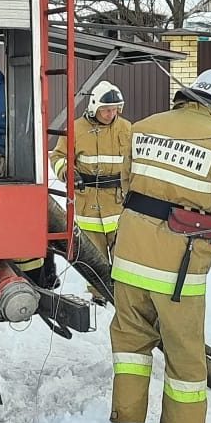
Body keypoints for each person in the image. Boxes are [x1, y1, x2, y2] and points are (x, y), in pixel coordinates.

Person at [107, 69, 211, 423]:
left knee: (130, 345)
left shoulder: (142, 127)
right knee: (185, 359)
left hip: (128, 258)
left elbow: (127, 186)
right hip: (178, 270)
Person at [49, 81, 132, 303]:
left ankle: (124, 296)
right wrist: (68, 173)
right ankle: (98, 295)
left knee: (124, 255)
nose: (110, 114)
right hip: (89, 205)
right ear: (94, 106)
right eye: (106, 109)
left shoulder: (127, 129)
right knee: (93, 255)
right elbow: (57, 156)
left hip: (118, 204)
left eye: (115, 109)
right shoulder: (74, 130)